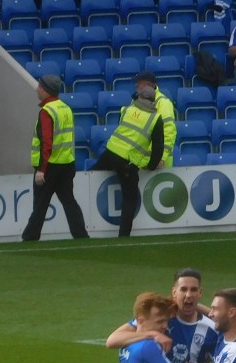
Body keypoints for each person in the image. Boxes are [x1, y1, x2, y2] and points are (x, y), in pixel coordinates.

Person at [21, 74, 89, 242]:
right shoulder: (65, 108)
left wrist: (41, 169)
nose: (37, 89)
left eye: (40, 87)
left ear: (46, 90)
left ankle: (30, 237)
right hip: (66, 163)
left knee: (40, 205)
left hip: (49, 166)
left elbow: (47, 142)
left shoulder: (47, 111)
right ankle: (81, 235)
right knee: (69, 202)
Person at [91, 85, 164, 237]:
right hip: (127, 162)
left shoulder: (126, 110)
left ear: (138, 96)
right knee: (130, 198)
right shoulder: (155, 118)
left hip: (110, 152)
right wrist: (151, 166)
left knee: (89, 177)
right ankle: (123, 236)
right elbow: (158, 148)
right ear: (154, 100)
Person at [134, 70, 176, 169]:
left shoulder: (163, 103)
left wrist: (161, 157)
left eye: (139, 83)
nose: (136, 86)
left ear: (149, 85)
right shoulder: (136, 101)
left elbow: (168, 132)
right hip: (140, 160)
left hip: (158, 163)